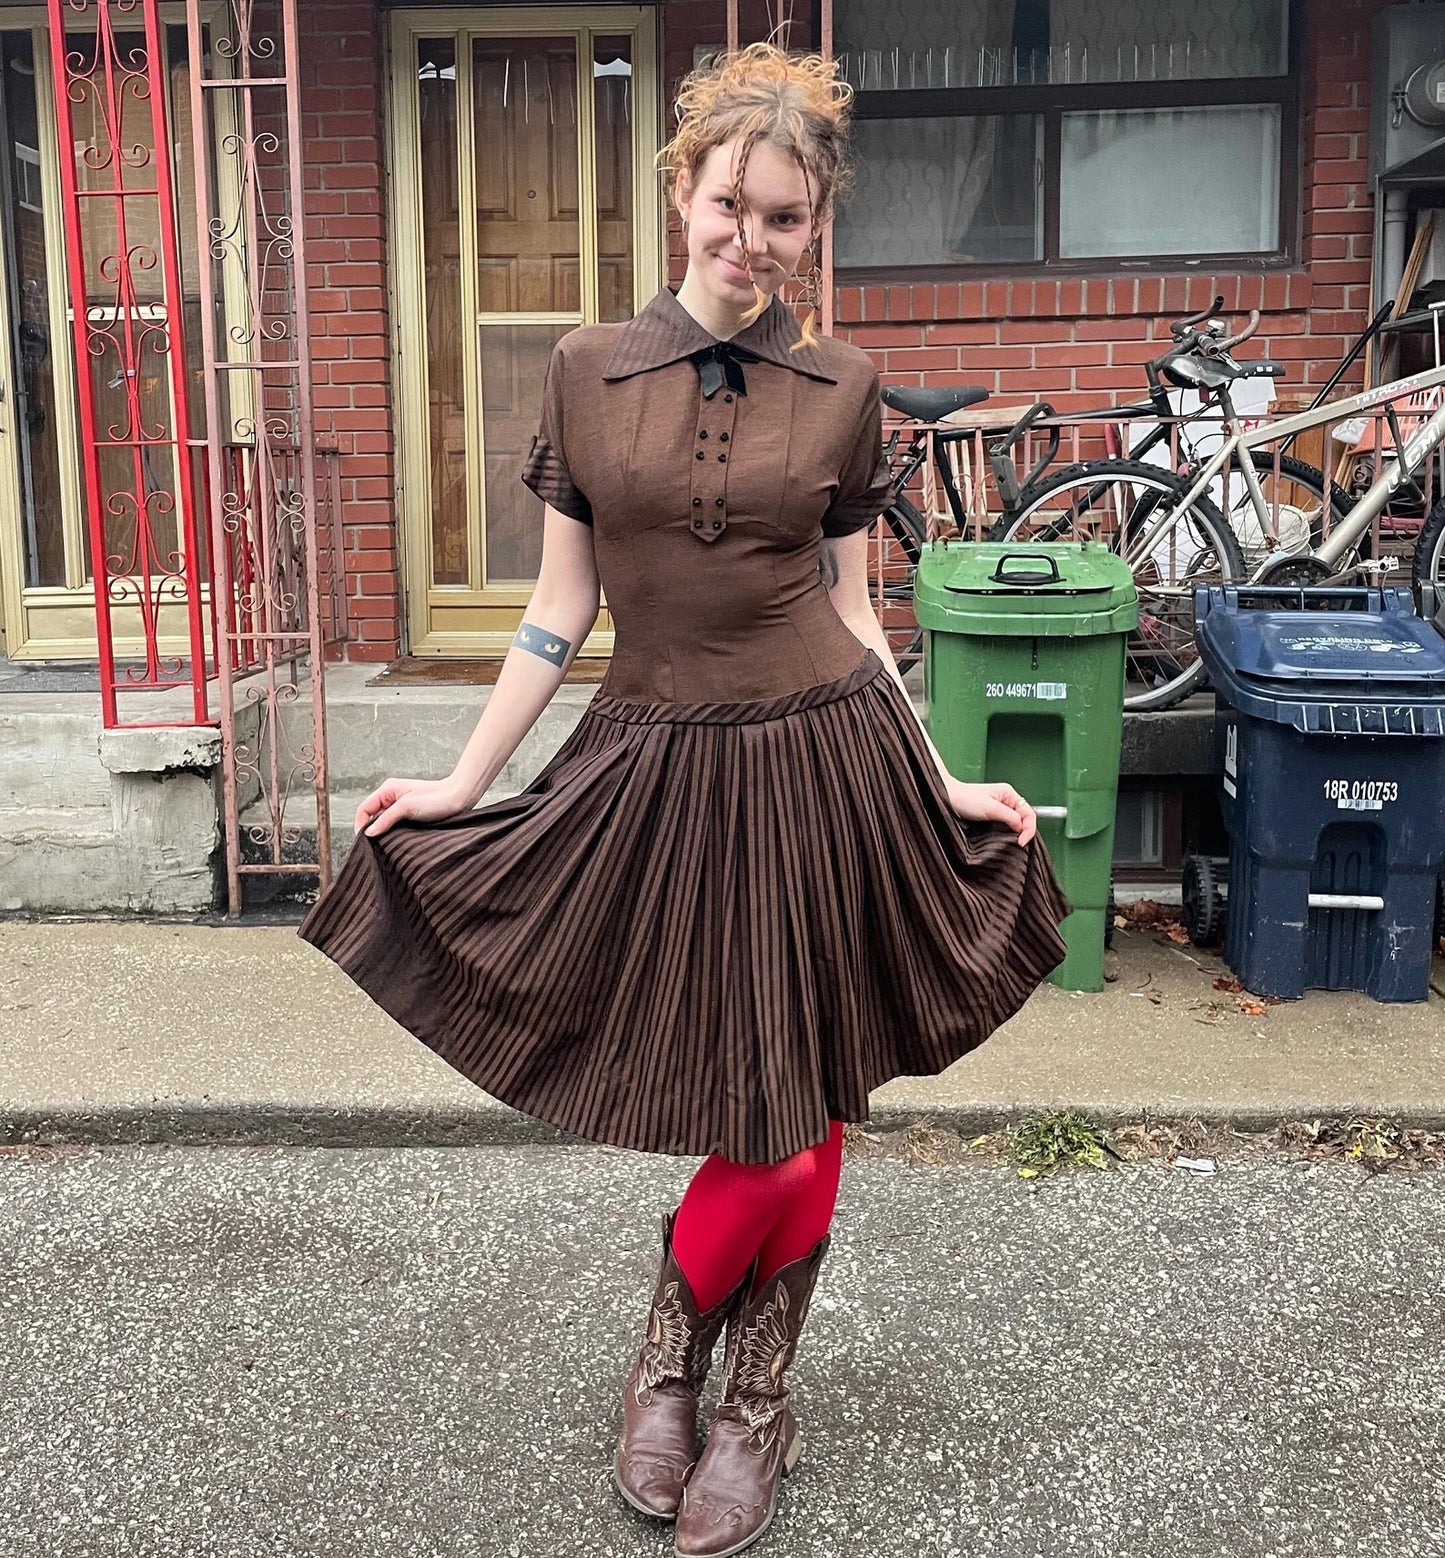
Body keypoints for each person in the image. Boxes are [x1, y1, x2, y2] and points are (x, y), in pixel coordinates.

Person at [299, 40, 1067, 1558]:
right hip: (654, 757)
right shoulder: (585, 369)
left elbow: (855, 615)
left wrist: (939, 771)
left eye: (783, 217)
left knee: (803, 1101)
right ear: (682, 194)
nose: (750, 238)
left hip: (825, 753)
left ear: (813, 226)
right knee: (755, 1102)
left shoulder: (844, 388)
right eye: (729, 203)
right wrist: (462, 780)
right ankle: (677, 1357)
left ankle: (736, 1388)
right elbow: (556, 611)